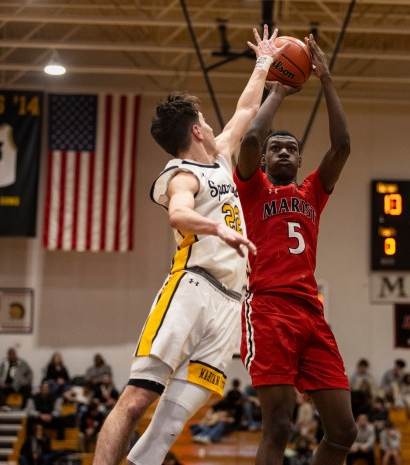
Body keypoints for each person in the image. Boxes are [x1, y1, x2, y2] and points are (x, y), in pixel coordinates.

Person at [91, 25, 286, 465]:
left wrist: (263, 62)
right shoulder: (181, 174)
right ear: (197, 130)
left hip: (230, 303)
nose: (214, 125)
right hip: (192, 287)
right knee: (138, 399)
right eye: (205, 121)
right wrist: (219, 230)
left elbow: (244, 110)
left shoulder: (219, 156)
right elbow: (179, 213)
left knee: (172, 419)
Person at [234, 34, 357, 465]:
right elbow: (249, 138)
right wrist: (278, 91)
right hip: (268, 308)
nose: (283, 151)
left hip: (311, 312)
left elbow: (342, 147)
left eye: (292, 149)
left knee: (344, 430)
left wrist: (325, 79)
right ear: (265, 161)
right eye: (276, 148)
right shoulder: (251, 189)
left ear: (300, 161)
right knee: (279, 426)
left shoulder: (312, 194)